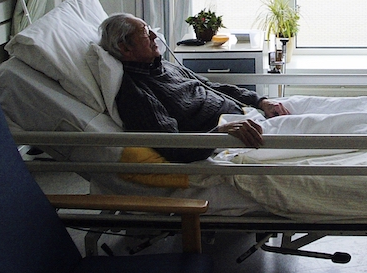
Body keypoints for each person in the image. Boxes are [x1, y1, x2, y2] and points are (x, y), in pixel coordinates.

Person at [99, 13, 289, 163]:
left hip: (248, 115)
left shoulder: (164, 66)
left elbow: (210, 86)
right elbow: (174, 146)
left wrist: (260, 101)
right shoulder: (137, 94)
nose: (154, 36)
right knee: (314, 127)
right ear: (125, 48)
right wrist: (221, 132)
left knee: (316, 109)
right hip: (234, 139)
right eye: (145, 33)